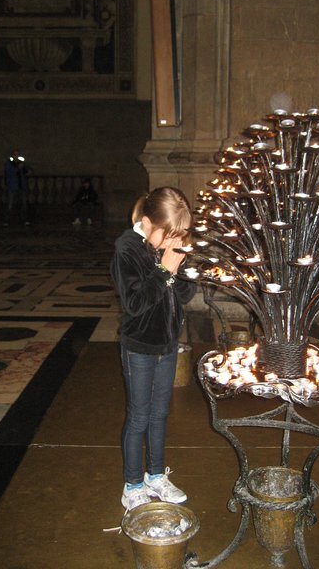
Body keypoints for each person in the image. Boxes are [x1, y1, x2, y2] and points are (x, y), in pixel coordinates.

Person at [111, 187, 196, 512]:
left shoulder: (164, 246)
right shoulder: (127, 248)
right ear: (147, 223)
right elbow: (134, 303)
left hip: (167, 343)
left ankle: (156, 475)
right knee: (139, 416)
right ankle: (132, 484)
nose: (172, 240)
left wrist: (182, 268)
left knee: (160, 414)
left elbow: (184, 296)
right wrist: (163, 269)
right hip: (139, 346)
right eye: (168, 233)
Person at [3, 150, 32, 226]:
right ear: (12, 155)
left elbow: (27, 169)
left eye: (18, 154)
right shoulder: (9, 163)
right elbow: (9, 172)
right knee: (10, 204)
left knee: (24, 204)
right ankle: (7, 220)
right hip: (12, 186)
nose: (16, 156)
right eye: (15, 154)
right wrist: (18, 169)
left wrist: (28, 171)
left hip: (21, 186)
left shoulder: (21, 163)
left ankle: (25, 220)